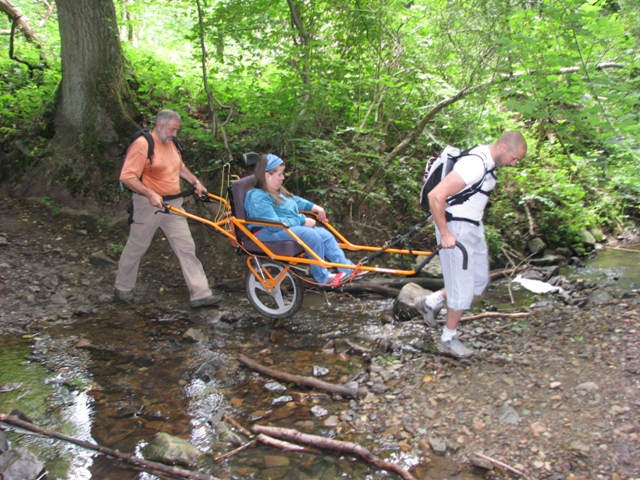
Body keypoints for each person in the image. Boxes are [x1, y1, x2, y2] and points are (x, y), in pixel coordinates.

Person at [416, 132, 527, 358]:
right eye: (515, 158)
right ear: (504, 147)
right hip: (457, 229)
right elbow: (436, 196)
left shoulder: (487, 161)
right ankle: (447, 339)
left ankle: (431, 301)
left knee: (478, 280)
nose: (514, 164)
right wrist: (445, 232)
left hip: (473, 227)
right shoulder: (475, 164)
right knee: (462, 289)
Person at [114, 109, 222, 308]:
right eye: (172, 129)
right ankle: (123, 287)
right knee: (137, 247)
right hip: (148, 206)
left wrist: (195, 182)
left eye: (176, 130)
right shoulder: (143, 144)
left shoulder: (171, 143)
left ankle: (200, 294)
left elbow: (179, 167)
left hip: (174, 206)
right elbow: (126, 177)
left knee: (186, 246)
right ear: (160, 125)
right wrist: (150, 194)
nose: (175, 134)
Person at [244, 154, 365, 287]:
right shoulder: (257, 196)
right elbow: (272, 223)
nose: (283, 177)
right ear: (267, 175)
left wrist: (316, 208)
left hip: (282, 228)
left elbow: (294, 200)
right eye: (280, 174)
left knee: (324, 235)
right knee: (310, 235)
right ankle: (322, 277)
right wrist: (302, 221)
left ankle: (347, 269)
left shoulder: (277, 191)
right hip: (266, 232)